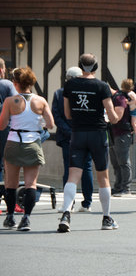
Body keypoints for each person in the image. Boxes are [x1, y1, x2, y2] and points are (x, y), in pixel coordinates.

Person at [57, 53, 119, 233]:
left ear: (79, 65)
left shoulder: (69, 85)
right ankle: (106, 218)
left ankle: (66, 214)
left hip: (77, 133)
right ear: (96, 66)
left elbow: (68, 114)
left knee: (73, 176)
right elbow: (113, 117)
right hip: (98, 134)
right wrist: (116, 114)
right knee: (103, 176)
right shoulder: (102, 86)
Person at [0, 67, 54, 231]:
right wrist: (38, 122)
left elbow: (2, 125)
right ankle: (26, 218)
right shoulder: (41, 101)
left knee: (11, 183)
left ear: (15, 83)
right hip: (32, 143)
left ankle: (10, 217)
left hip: (14, 142)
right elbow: (50, 124)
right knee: (31, 184)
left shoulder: (10, 101)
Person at [52, 66, 94, 212]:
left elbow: (56, 116)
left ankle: (68, 203)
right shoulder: (86, 92)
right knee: (87, 167)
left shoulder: (59, 93)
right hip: (85, 134)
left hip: (66, 137)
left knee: (69, 169)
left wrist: (69, 132)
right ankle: (87, 202)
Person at [109, 84, 134, 197]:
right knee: (116, 162)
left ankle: (126, 187)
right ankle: (118, 187)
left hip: (122, 134)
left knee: (123, 162)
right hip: (114, 134)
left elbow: (117, 117)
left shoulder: (119, 98)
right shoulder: (115, 98)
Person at [0, 58, 18, 183]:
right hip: (5, 126)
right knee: (6, 162)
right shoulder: (7, 84)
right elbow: (16, 103)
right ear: (1, 70)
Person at [121, 79, 136, 144]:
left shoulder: (131, 93)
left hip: (134, 111)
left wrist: (128, 103)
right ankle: (133, 132)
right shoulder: (128, 93)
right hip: (132, 110)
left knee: (133, 123)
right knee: (131, 123)